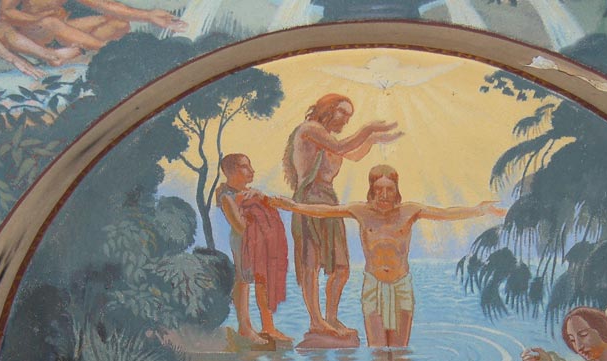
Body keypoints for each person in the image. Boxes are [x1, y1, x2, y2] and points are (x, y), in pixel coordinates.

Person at [268, 165, 505, 347]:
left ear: (396, 191)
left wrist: (480, 210)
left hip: (401, 285)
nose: (384, 195)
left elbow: (445, 213)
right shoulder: (361, 211)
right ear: (371, 191)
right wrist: (291, 206)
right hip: (373, 285)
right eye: (378, 190)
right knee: (378, 351)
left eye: (389, 189)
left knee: (400, 352)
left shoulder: (409, 211)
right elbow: (324, 211)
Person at [282, 94, 402, 338]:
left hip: (329, 201)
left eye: (349, 116)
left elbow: (353, 154)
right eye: (342, 113)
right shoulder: (310, 129)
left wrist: (374, 139)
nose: (346, 120)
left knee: (341, 268)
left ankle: (331, 318)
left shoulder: (328, 138)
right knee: (311, 264)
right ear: (327, 109)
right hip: (309, 199)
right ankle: (316, 321)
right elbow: (341, 148)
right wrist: (368, 129)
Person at [216, 153, 291, 344]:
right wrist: (248, 205)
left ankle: (268, 326)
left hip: (260, 242)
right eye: (245, 167)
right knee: (243, 280)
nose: (251, 171)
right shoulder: (227, 196)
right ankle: (245, 327)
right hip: (243, 242)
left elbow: (273, 206)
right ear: (231, 172)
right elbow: (240, 226)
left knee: (262, 280)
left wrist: (260, 198)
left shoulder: (251, 192)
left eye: (250, 166)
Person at [0, 0, 185, 53]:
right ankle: (107, 49)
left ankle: (76, 50)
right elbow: (5, 12)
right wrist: (36, 18)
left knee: (118, 23)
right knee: (51, 22)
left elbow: (104, 4)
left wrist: (148, 16)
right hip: (34, 34)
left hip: (62, 30)